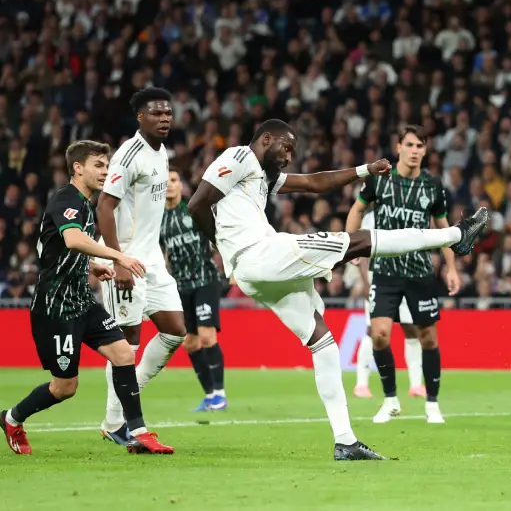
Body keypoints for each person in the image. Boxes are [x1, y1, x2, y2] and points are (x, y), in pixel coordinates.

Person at [187, 119, 488, 460]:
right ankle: (456, 236)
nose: (289, 155)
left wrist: (365, 170)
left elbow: (316, 183)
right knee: (359, 241)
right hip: (260, 254)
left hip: (257, 268)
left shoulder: (262, 175)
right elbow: (196, 204)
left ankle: (345, 441)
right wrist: (227, 251)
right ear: (265, 139)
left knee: (323, 343)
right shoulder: (239, 156)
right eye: (286, 147)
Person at [0, 140, 173, 455]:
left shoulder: (84, 204)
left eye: (106, 165)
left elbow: (56, 249)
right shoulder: (66, 199)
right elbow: (73, 239)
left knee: (123, 354)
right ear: (78, 168)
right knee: (65, 388)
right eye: (98, 165)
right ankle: (12, 418)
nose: (105, 171)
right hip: (56, 307)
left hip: (81, 300)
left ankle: (138, 432)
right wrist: (118, 257)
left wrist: (94, 265)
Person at [346, 126, 461, 424]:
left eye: (420, 145)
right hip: (384, 271)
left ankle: (432, 404)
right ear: (398, 147)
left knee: (428, 339)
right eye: (409, 144)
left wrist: (451, 267)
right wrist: (351, 245)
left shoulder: (432, 185)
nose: (414, 150)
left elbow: (443, 228)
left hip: (420, 272)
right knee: (380, 336)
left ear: (425, 150)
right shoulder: (380, 179)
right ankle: (390, 400)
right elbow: (357, 210)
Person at [96, 88, 186, 446]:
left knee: (175, 330)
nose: (164, 118)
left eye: (168, 112)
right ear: (140, 117)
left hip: (153, 259)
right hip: (126, 259)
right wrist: (117, 260)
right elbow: (104, 206)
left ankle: (123, 400)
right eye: (156, 113)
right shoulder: (128, 155)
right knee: (126, 342)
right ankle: (116, 421)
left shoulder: (161, 151)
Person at [162, 167, 228, 412]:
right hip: (181, 286)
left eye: (174, 179)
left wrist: (230, 267)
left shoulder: (193, 209)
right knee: (190, 343)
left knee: (207, 335)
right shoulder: (158, 219)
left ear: (181, 185)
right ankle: (210, 394)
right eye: (165, 181)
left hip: (205, 280)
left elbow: (217, 237)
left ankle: (220, 394)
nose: (169, 184)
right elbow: (161, 255)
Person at [352, 204, 428, 401]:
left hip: (405, 277)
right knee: (373, 330)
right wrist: (366, 282)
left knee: (411, 328)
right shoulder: (371, 217)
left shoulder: (407, 213)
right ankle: (361, 384)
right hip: (378, 279)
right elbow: (363, 252)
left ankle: (416, 384)